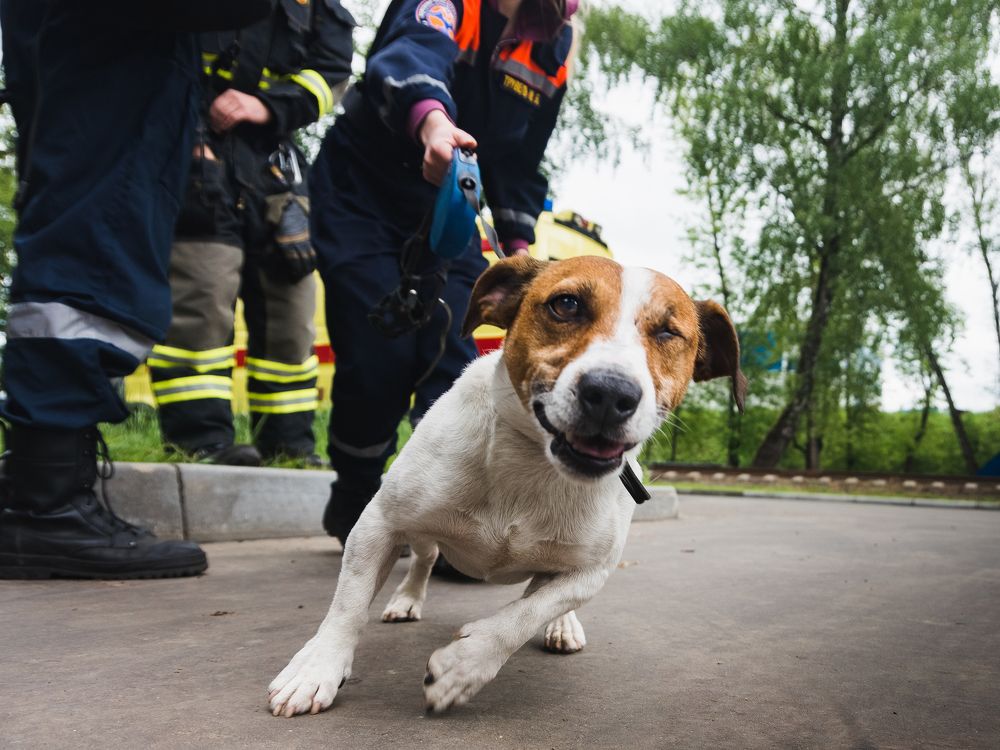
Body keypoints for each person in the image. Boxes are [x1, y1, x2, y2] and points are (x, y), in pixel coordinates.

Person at [0, 0, 271, 580]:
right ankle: (47, 505)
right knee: (91, 264)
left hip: (110, 62)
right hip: (113, 62)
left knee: (92, 256)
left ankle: (42, 490)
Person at [312, 0, 579, 542]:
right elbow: (410, 58)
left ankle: (447, 521)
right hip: (364, 195)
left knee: (454, 352)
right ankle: (357, 498)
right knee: (379, 353)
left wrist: (518, 251)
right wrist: (433, 124)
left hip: (453, 208)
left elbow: (520, 162)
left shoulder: (554, 45)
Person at [149, 0, 355, 467]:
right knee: (202, 295)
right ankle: (200, 441)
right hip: (194, 149)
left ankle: (289, 445)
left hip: (273, 160)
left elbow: (332, 73)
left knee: (291, 308)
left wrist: (267, 105)